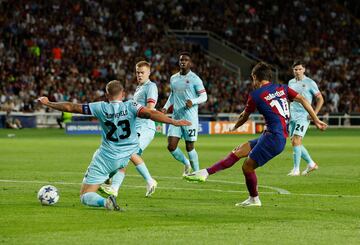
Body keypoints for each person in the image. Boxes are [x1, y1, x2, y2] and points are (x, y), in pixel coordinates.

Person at [184, 62, 327, 207]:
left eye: (252, 79)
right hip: (272, 136)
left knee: (247, 167)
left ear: (255, 77)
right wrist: (316, 119)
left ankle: (254, 199)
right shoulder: (282, 88)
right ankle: (205, 173)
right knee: (239, 150)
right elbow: (303, 99)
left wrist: (235, 126)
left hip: (273, 139)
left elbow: (244, 116)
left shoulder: (256, 95)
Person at [38, 80, 190, 211]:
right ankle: (115, 182)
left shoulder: (99, 107)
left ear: (106, 95)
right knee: (117, 161)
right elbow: (151, 113)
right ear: (123, 94)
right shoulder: (131, 105)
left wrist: (48, 103)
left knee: (85, 195)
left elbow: (71, 107)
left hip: (106, 157)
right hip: (125, 156)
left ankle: (106, 201)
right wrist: (173, 121)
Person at [100, 61, 159, 197]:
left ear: (149, 72)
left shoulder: (151, 87)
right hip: (137, 127)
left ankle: (147, 181)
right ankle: (110, 183)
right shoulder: (139, 88)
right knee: (124, 156)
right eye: (137, 72)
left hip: (145, 127)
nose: (139, 75)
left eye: (142, 72)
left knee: (128, 153)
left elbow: (149, 109)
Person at [161, 52, 207, 176]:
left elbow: (204, 96)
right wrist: (165, 107)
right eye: (181, 60)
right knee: (171, 146)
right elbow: (172, 94)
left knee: (189, 146)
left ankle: (197, 173)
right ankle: (186, 163)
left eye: (186, 60)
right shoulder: (173, 78)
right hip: (176, 117)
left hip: (189, 117)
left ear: (190, 63)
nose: (183, 62)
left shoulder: (195, 79)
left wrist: (193, 101)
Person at [287, 61, 324, 176]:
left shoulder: (310, 82)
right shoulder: (290, 82)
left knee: (296, 140)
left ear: (304, 70)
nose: (297, 71)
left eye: (299, 69)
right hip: (292, 116)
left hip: (304, 116)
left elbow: (320, 99)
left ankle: (296, 169)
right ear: (293, 71)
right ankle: (311, 164)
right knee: (294, 142)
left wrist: (314, 115)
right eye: (295, 69)